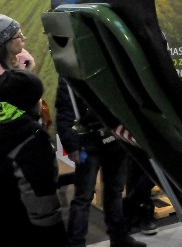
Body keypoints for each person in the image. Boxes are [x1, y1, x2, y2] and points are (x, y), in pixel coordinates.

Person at [0, 70, 65, 246]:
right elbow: (39, 195)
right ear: (30, 102)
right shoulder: (31, 137)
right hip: (17, 229)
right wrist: (54, 234)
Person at [56, 76, 146, 247]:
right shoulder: (70, 73)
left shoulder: (106, 63)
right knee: (83, 196)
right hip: (88, 142)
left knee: (115, 191)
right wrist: (72, 145)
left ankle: (119, 237)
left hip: (115, 138)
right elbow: (64, 110)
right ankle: (76, 243)